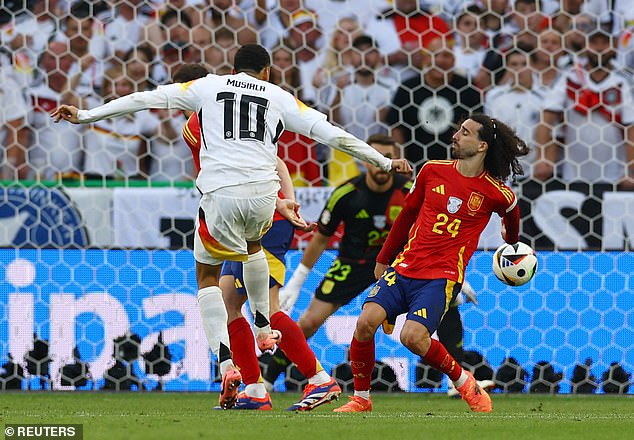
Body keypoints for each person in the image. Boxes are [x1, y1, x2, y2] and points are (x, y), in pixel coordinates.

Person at [52, 43, 412, 405]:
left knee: (208, 279)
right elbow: (330, 132)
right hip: (262, 200)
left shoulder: (207, 89)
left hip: (227, 197)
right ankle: (258, 374)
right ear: (268, 71)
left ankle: (241, 363)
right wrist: (382, 160)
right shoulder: (278, 95)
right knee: (237, 278)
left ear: (230, 69)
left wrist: (85, 116)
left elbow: (143, 98)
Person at [333, 114, 529, 413]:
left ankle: (464, 381)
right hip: (405, 267)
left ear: (482, 146)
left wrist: (509, 237)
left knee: (412, 337)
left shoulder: (496, 192)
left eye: (465, 132)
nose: (456, 135)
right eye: (458, 130)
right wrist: (384, 258)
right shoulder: (431, 171)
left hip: (443, 276)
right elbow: (407, 216)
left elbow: (512, 219)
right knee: (364, 323)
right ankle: (361, 398)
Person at [266, 134, 411, 383]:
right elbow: (321, 238)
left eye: (387, 158)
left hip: (396, 266)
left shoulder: (409, 192)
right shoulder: (346, 193)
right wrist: (297, 280)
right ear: (365, 160)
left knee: (439, 311)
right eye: (376, 158)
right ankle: (268, 379)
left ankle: (457, 379)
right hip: (352, 264)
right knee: (309, 322)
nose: (382, 164)